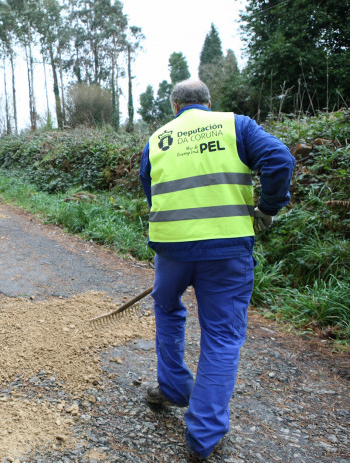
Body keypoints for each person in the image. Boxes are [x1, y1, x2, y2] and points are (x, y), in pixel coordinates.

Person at [139, 79, 294, 460]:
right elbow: (280, 161)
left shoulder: (157, 139)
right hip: (226, 249)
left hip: (171, 250)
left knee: (167, 309)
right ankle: (202, 438)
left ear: (175, 106)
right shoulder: (236, 125)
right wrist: (267, 210)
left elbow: (150, 187)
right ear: (209, 103)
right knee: (222, 337)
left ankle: (173, 388)